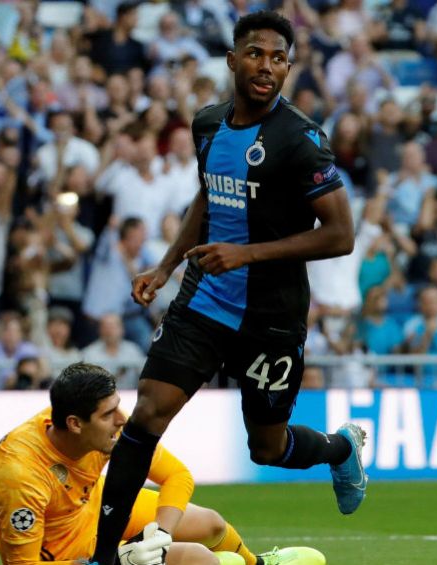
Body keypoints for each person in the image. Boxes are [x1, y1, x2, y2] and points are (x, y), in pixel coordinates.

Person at [91, 12, 365, 565]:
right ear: (233, 60)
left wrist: (247, 253)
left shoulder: (302, 141)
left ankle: (342, 449)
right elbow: (209, 199)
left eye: (279, 58)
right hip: (206, 298)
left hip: (272, 315)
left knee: (267, 447)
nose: (267, 67)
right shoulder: (207, 125)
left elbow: (340, 235)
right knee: (147, 413)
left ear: (289, 67)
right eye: (257, 54)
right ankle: (102, 557)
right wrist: (166, 267)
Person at [0, 363, 324, 565]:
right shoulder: (21, 474)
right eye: (109, 414)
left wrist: (160, 534)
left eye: (118, 406)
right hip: (72, 555)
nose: (122, 419)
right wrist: (118, 559)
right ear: (76, 424)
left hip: (95, 508)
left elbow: (176, 475)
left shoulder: (94, 430)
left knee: (210, 524)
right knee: (199, 558)